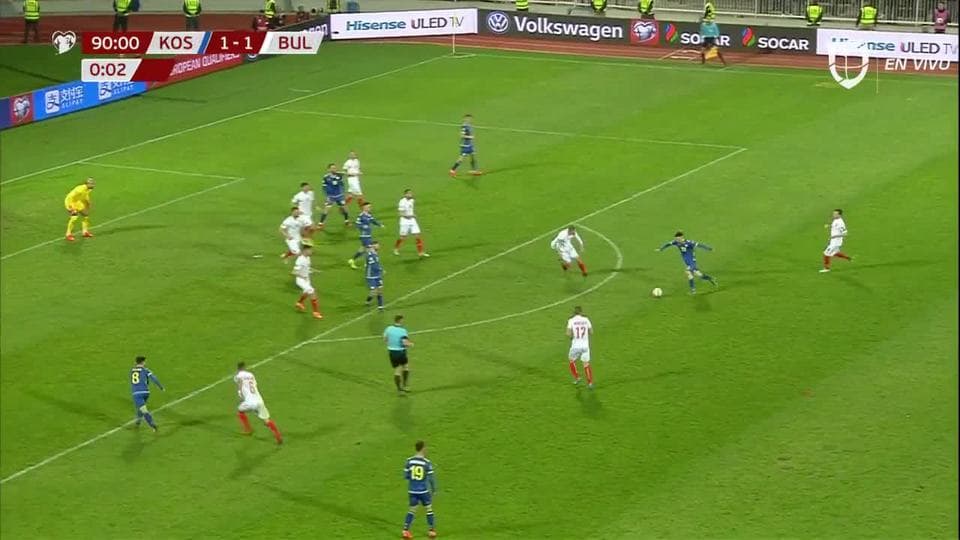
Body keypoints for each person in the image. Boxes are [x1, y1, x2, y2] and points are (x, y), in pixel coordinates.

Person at [234, 362, 283, 444]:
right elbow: (253, 385)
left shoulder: (238, 376)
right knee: (266, 420)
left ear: (238, 368)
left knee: (240, 410)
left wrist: (240, 394)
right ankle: (278, 435)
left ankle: (248, 430)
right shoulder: (251, 375)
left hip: (250, 402)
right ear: (244, 367)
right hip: (259, 401)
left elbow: (240, 383)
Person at [402, 440, 437, 539]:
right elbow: (431, 478)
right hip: (423, 491)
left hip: (412, 490)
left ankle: (405, 530)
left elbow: (406, 476)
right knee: (429, 509)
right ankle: (431, 530)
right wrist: (434, 490)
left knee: (412, 510)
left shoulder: (409, 461)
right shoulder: (426, 463)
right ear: (423, 448)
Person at [130, 356, 164, 431]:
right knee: (141, 407)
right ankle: (138, 422)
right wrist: (160, 387)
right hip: (146, 392)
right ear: (143, 362)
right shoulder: (146, 370)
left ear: (135, 362)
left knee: (143, 410)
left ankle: (152, 425)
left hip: (137, 393)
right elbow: (154, 378)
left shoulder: (132, 370)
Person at [394, 189, 429, 258]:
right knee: (402, 237)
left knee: (417, 236)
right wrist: (410, 215)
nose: (411, 194)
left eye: (411, 193)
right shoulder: (402, 202)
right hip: (404, 221)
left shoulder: (412, 200)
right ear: (405, 195)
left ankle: (421, 252)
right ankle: (396, 249)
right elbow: (400, 214)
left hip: (412, 220)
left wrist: (412, 216)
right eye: (409, 193)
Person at [384, 314, 414, 394]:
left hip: (392, 352)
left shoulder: (388, 328)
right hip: (401, 352)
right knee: (406, 367)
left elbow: (385, 339)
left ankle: (399, 390)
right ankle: (405, 385)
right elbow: (405, 343)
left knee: (397, 370)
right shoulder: (402, 331)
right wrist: (411, 344)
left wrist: (391, 345)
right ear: (400, 320)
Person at [348, 202, 384, 269]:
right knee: (371, 249)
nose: (370, 208)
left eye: (370, 207)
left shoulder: (369, 215)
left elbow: (373, 221)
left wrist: (380, 225)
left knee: (362, 250)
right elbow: (357, 224)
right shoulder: (361, 215)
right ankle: (369, 264)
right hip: (364, 236)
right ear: (364, 208)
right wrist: (364, 226)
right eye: (368, 207)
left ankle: (352, 260)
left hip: (368, 235)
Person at [566, 306, 594, 388]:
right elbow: (591, 332)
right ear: (581, 312)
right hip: (585, 346)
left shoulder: (571, 320)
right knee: (586, 364)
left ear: (574, 312)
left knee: (571, 360)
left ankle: (577, 377)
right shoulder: (586, 319)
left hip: (575, 346)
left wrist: (572, 337)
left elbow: (568, 333)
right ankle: (590, 383)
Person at [293, 243, 323, 318]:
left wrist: (314, 271)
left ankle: (299, 303)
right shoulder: (300, 260)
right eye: (310, 250)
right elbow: (294, 272)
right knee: (312, 291)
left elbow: (307, 268)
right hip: (301, 280)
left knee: (306, 292)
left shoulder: (308, 258)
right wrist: (302, 277)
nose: (312, 251)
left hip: (306, 278)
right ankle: (316, 312)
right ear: (305, 250)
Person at [318, 163, 350, 229]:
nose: (334, 169)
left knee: (345, 208)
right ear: (329, 169)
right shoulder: (326, 177)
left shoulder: (339, 175)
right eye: (332, 168)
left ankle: (347, 221)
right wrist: (327, 195)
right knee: (326, 209)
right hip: (331, 197)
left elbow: (343, 182)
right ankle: (320, 223)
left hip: (339, 195)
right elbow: (324, 187)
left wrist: (343, 192)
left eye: (335, 168)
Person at [820, 208, 852, 273]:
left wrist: (834, 236)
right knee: (834, 253)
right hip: (833, 241)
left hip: (836, 242)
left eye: (835, 214)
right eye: (833, 213)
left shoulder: (841, 223)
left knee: (826, 253)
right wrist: (829, 226)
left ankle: (826, 268)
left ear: (839, 215)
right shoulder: (835, 220)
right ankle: (848, 258)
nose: (833, 215)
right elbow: (834, 226)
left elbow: (845, 234)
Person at [365, 241, 386, 311]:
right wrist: (381, 270)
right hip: (371, 276)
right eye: (377, 245)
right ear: (373, 246)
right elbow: (374, 266)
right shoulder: (370, 255)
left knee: (380, 290)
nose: (378, 246)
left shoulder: (375, 254)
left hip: (377, 275)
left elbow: (377, 264)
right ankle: (368, 300)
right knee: (374, 292)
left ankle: (380, 306)